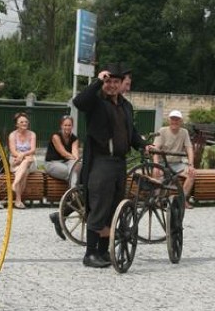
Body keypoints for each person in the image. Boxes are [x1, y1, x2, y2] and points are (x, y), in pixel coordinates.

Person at [73, 63, 149, 268]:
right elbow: (79, 101)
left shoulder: (125, 106)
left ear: (121, 83)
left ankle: (103, 251)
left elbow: (130, 131)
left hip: (119, 162)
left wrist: (143, 145)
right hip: (101, 161)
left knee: (113, 207)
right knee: (99, 205)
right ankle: (90, 254)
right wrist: (97, 81)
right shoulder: (96, 102)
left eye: (116, 82)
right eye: (108, 82)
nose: (112, 85)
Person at [154, 109, 196, 208]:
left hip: (177, 163)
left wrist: (191, 165)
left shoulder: (184, 132)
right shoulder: (162, 131)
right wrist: (155, 165)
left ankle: (182, 200)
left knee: (192, 173)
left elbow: (189, 149)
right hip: (162, 163)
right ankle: (157, 200)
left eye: (177, 120)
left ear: (181, 121)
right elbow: (155, 149)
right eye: (173, 119)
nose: (174, 122)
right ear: (169, 120)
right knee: (156, 173)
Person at [8, 112, 36, 209]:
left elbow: (33, 149)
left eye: (26, 122)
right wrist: (20, 157)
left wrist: (23, 155)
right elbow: (12, 150)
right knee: (24, 171)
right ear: (17, 124)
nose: (24, 123)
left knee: (27, 161)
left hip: (30, 160)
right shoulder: (12, 135)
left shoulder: (32, 134)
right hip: (15, 159)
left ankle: (15, 184)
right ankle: (18, 200)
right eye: (22, 122)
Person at [44, 115, 81, 189]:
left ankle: (72, 191)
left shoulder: (74, 139)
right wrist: (75, 160)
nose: (67, 127)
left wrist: (76, 161)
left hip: (67, 163)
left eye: (69, 125)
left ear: (72, 126)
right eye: (65, 125)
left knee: (76, 166)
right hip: (52, 163)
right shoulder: (56, 137)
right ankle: (74, 191)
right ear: (61, 126)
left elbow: (75, 154)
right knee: (72, 172)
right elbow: (63, 153)